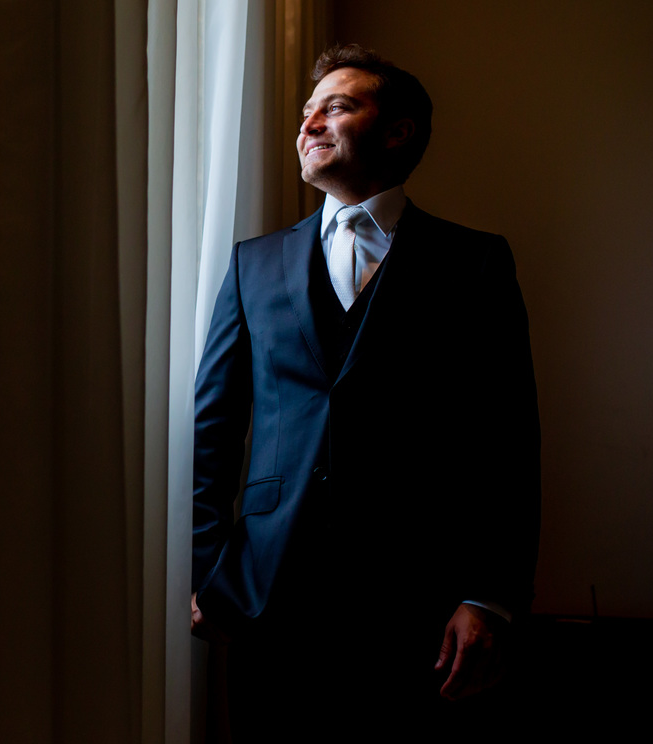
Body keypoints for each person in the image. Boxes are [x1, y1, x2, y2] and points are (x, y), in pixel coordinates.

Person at [189, 45, 541, 738]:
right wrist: (209, 572)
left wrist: (489, 597)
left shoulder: (473, 262)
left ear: (398, 130)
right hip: (267, 597)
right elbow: (213, 429)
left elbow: (508, 438)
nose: (309, 124)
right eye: (306, 112)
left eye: (337, 107)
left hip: (418, 602)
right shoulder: (253, 263)